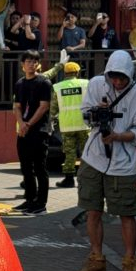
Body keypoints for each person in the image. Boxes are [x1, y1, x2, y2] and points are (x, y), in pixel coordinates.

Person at [77, 50, 136, 271]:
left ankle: (130, 261)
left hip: (122, 164)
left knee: (127, 214)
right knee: (92, 211)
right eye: (113, 77)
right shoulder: (96, 84)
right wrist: (95, 114)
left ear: (130, 75)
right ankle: (97, 258)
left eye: (122, 78)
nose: (117, 82)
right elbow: (84, 114)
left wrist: (118, 137)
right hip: (93, 158)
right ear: (107, 74)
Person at [12, 50, 52, 215]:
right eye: (28, 61)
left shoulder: (44, 82)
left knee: (40, 167)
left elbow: (44, 107)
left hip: (39, 130)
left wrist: (28, 124)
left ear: (38, 64)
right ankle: (29, 200)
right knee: (25, 166)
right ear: (23, 64)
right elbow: (17, 106)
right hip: (23, 131)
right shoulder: (20, 83)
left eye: (34, 61)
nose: (31, 64)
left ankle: (40, 204)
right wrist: (22, 123)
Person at [50, 61, 89, 189]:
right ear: (77, 73)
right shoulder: (86, 84)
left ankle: (69, 179)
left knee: (69, 153)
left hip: (67, 126)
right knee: (86, 153)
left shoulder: (58, 87)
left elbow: (53, 109)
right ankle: (87, 179)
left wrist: (50, 120)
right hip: (84, 124)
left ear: (65, 73)